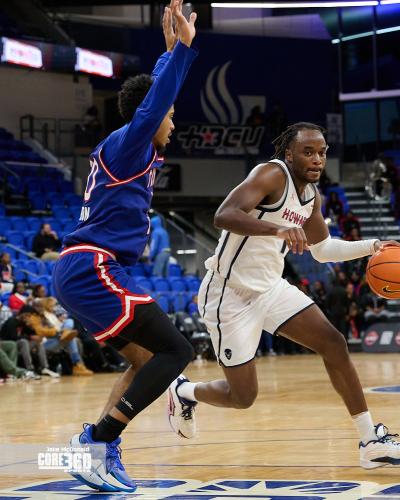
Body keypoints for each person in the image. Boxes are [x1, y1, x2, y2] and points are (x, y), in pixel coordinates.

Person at [167, 122, 400, 469]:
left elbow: (323, 249)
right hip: (229, 294)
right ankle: (184, 391)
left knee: (334, 343)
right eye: (308, 151)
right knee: (243, 397)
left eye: (322, 152)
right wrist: (278, 228)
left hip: (271, 288)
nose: (317, 159)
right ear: (289, 153)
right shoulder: (271, 174)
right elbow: (223, 215)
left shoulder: (311, 197)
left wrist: (373, 246)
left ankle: (370, 440)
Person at [51, 1, 197, 492]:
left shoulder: (126, 144)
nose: (172, 124)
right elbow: (154, 103)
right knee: (178, 349)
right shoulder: (129, 142)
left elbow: (152, 99)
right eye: (170, 115)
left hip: (82, 271)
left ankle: (102, 450)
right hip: (93, 268)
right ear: (150, 116)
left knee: (143, 360)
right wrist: (183, 54)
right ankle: (95, 438)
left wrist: (169, 50)